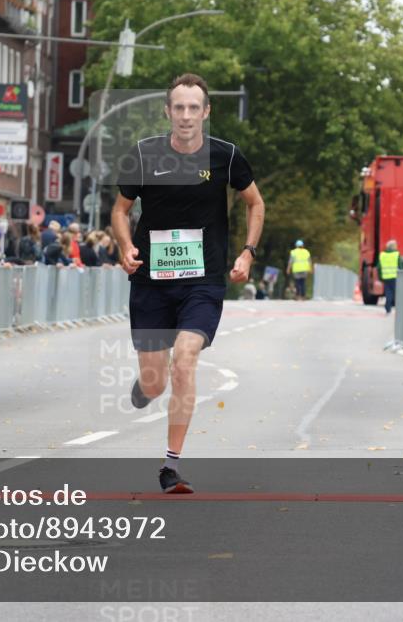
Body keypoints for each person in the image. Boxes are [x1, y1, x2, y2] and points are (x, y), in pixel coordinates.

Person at [111, 73, 264, 494]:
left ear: (206, 112)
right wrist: (125, 247)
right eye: (178, 107)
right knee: (157, 380)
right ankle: (146, 386)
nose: (186, 115)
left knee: (185, 358)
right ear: (167, 111)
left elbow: (255, 203)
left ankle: (170, 465)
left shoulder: (226, 157)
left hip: (203, 280)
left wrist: (247, 252)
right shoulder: (143, 154)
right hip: (151, 283)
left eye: (194, 107)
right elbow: (120, 211)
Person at [378, 240, 399, 315]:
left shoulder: (382, 255)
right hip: (395, 277)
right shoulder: (396, 254)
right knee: (396, 293)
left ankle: (388, 308)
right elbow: (400, 266)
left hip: (386, 277)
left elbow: (379, 267)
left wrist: (380, 277)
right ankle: (398, 308)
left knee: (388, 293)